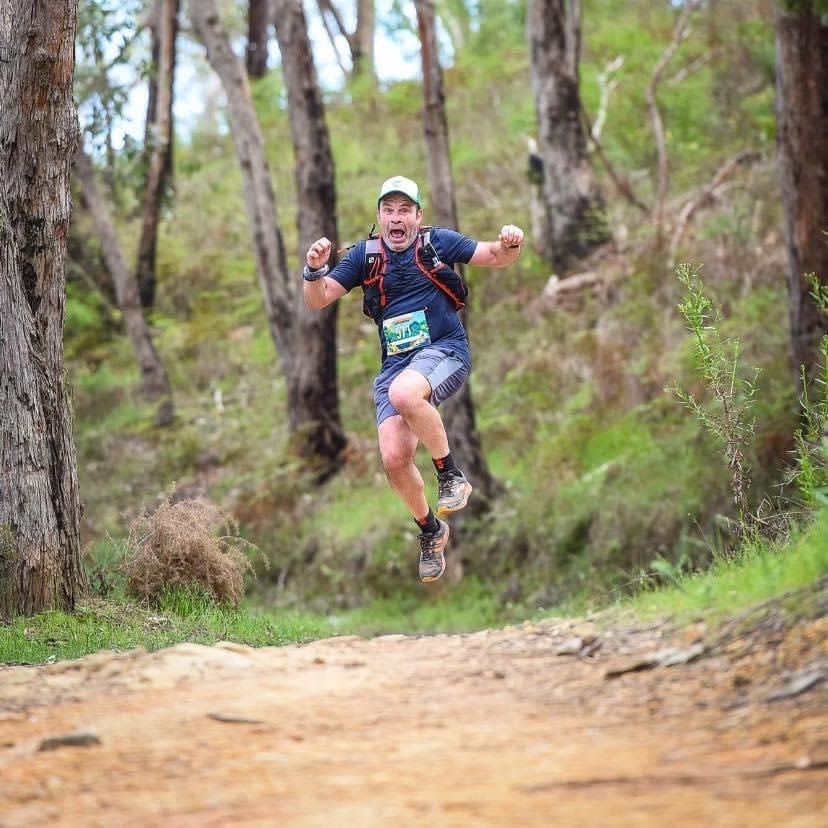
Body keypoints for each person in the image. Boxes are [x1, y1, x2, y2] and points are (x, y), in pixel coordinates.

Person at [303, 175, 524, 583]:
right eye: (389, 210)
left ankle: (451, 475)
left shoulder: (436, 241)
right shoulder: (364, 257)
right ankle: (430, 531)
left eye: (405, 209)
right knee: (393, 458)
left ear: (418, 216)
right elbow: (318, 300)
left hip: (445, 350)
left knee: (406, 393)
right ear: (379, 217)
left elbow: (494, 255)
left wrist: (510, 242)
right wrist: (314, 270)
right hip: (395, 366)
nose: (396, 218)